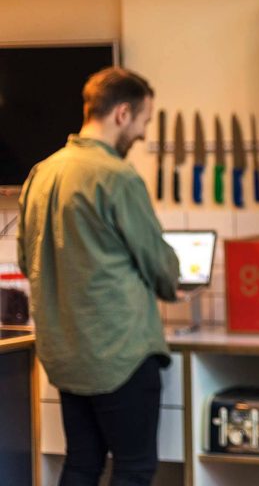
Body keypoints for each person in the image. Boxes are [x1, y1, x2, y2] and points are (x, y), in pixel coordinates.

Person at [18, 66, 180, 486]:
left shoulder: (42, 172)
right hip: (119, 353)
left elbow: (24, 255)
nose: (142, 134)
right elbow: (159, 263)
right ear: (122, 114)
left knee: (82, 463)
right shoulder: (116, 176)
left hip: (67, 353)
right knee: (134, 466)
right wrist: (172, 281)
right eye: (144, 121)